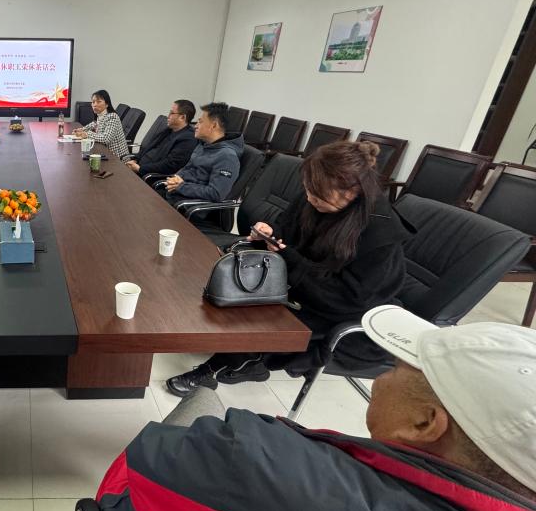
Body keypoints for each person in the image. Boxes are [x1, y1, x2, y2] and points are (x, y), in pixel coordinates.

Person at [90, 308, 536, 511]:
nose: (381, 376)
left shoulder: (270, 469)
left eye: (397, 367)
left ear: (424, 423)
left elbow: (146, 463)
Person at [167, 140, 413, 396]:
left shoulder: (381, 234)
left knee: (261, 316)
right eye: (308, 190)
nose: (310, 198)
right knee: (238, 283)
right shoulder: (314, 197)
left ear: (353, 192)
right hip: (304, 281)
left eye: (319, 196)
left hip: (340, 307)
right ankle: (242, 357)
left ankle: (212, 370)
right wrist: (271, 233)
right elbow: (288, 229)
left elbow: (347, 297)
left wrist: (289, 258)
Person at [160, 101, 243, 206]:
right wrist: (176, 178)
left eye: (200, 122)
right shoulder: (203, 145)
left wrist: (181, 186)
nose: (195, 126)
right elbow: (187, 168)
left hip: (188, 206)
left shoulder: (227, 157)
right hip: (176, 196)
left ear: (213, 125)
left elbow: (216, 193)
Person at [123, 99, 197, 179]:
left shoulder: (188, 139)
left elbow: (170, 165)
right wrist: (135, 159)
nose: (168, 116)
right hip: (138, 167)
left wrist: (140, 169)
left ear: (182, 117)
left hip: (148, 176)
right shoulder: (169, 129)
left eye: (171, 113)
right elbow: (149, 146)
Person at [74, 89, 128, 159]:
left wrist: (87, 134)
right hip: (104, 153)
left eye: (99, 102)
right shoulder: (100, 116)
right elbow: (94, 124)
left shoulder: (112, 117)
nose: (95, 104)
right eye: (93, 102)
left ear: (107, 104)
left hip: (116, 157)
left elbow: (106, 138)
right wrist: (81, 130)